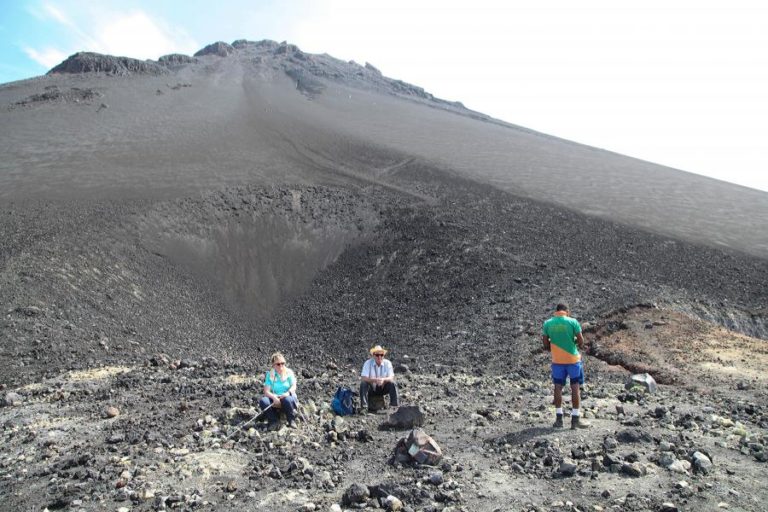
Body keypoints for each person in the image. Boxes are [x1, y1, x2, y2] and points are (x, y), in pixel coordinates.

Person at [542, 303, 589, 429]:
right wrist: (573, 342)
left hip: (557, 361)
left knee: (557, 387)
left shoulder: (548, 323)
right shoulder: (573, 322)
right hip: (573, 360)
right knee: (575, 388)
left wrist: (553, 346)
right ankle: (575, 420)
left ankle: (559, 419)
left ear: (556, 311)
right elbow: (581, 341)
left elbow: (545, 344)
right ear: (567, 311)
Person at [258, 352, 298, 430]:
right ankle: (273, 421)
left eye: (283, 363)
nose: (281, 366)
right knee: (263, 401)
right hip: (276, 398)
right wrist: (274, 397)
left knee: (287, 400)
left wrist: (287, 393)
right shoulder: (270, 375)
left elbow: (294, 386)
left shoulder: (289, 372)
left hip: (287, 396)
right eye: (278, 364)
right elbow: (266, 391)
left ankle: (291, 420)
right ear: (273, 365)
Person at [360, 344, 399, 411]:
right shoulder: (367, 363)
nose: (379, 357)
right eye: (377, 355)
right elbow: (363, 377)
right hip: (371, 388)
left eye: (381, 355)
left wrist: (383, 379)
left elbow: (391, 377)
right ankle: (364, 407)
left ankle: (394, 406)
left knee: (393, 383)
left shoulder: (388, 363)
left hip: (383, 388)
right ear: (373, 355)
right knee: (363, 384)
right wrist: (374, 380)